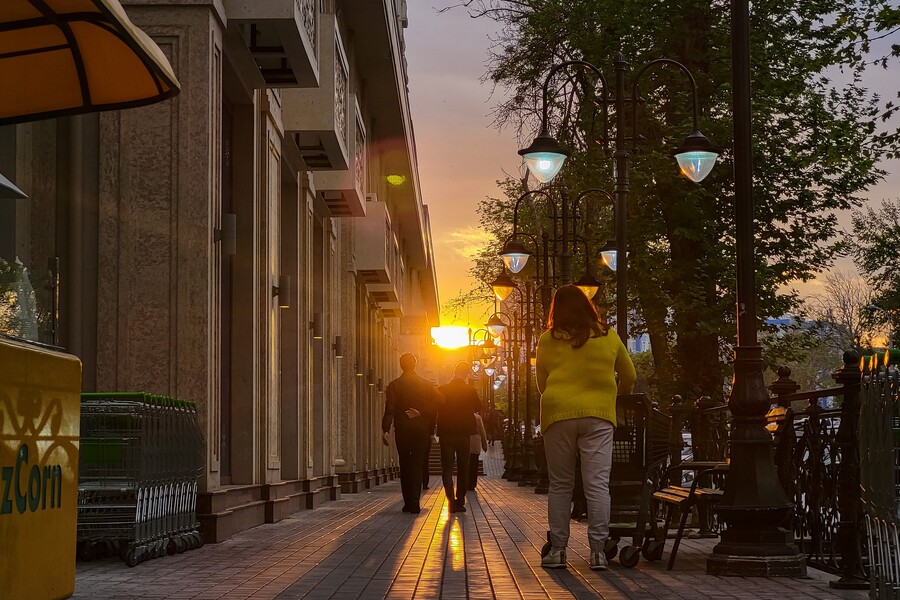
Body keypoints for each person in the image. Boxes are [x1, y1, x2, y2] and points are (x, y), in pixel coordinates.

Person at [535, 285, 636, 571]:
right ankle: (597, 552)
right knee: (597, 485)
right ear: (587, 306)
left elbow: (542, 385)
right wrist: (612, 400)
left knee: (560, 485)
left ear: (556, 309)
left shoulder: (547, 340)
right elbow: (629, 375)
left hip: (557, 415)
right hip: (599, 417)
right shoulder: (608, 336)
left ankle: (557, 550)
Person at [382, 353, 442, 514]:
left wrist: (385, 429)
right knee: (417, 464)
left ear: (401, 365)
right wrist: (421, 412)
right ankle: (415, 501)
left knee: (405, 464)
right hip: (421, 430)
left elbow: (390, 409)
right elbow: (440, 400)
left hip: (402, 430)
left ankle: (408, 501)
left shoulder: (395, 385)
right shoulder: (426, 384)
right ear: (414, 365)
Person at [436, 361, 481, 513]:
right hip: (463, 434)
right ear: (467, 373)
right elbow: (479, 407)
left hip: (446, 433)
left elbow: (436, 408)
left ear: (454, 371)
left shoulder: (443, 390)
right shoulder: (470, 390)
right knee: (463, 468)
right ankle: (460, 501)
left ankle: (450, 501)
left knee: (447, 468)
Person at [467, 411, 488, 490]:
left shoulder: (461, 416)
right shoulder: (478, 417)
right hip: (475, 441)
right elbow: (482, 431)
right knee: (474, 465)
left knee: (465, 465)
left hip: (465, 442)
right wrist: (484, 444)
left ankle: (465, 482)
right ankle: (472, 484)